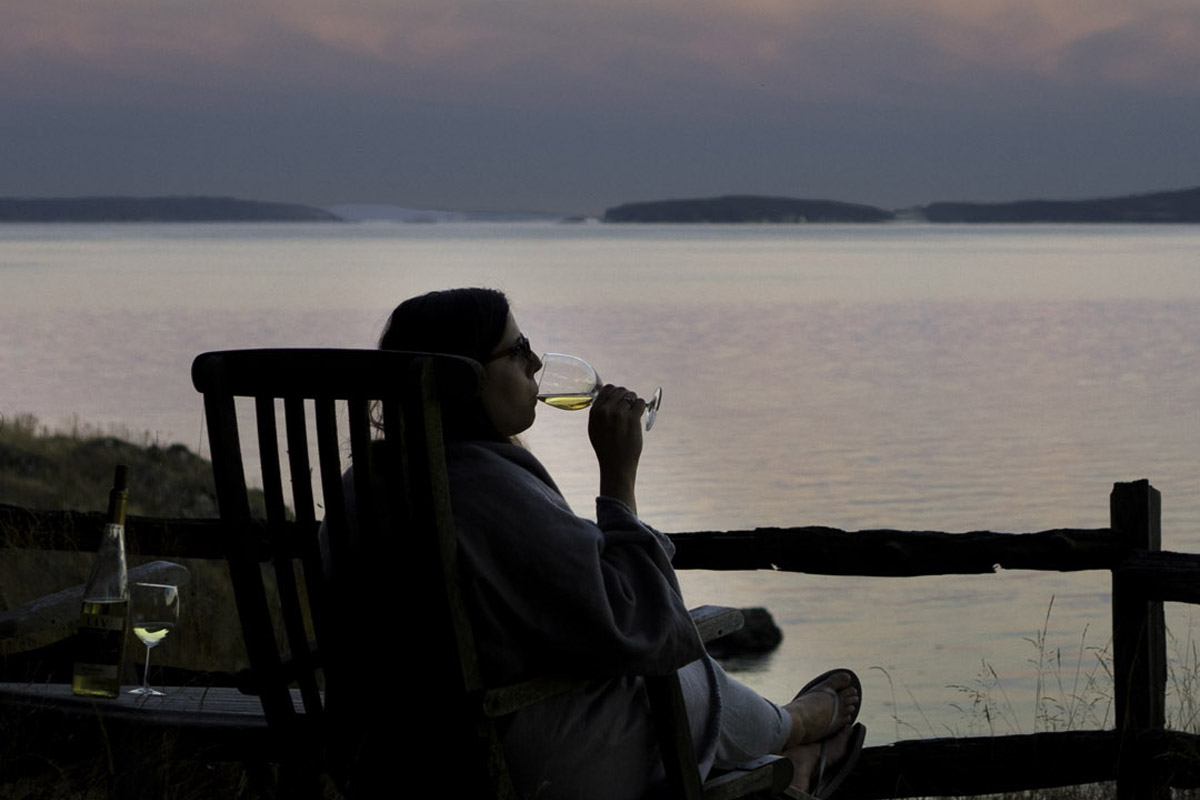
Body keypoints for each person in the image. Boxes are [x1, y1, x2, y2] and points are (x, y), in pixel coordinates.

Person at [364, 287, 865, 799]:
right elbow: (641, 625)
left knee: (674, 666)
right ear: (462, 376)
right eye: (517, 350)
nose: (536, 362)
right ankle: (795, 730)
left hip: (394, 757)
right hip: (519, 762)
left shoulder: (365, 487)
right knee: (683, 668)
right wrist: (618, 477)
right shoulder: (483, 490)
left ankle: (795, 760)